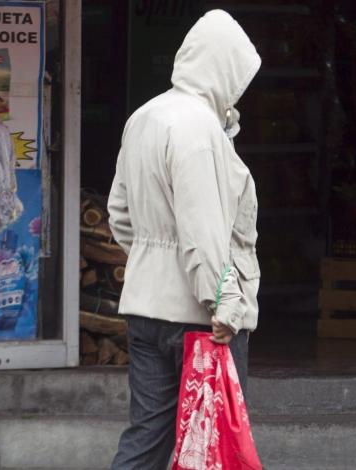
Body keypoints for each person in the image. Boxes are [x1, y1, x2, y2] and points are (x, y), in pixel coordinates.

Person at [107, 9, 262, 470]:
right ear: (224, 69)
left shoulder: (144, 117)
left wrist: (152, 263)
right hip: (200, 321)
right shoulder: (198, 130)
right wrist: (224, 303)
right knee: (211, 448)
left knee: (146, 438)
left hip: (145, 308)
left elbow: (119, 213)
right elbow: (204, 231)